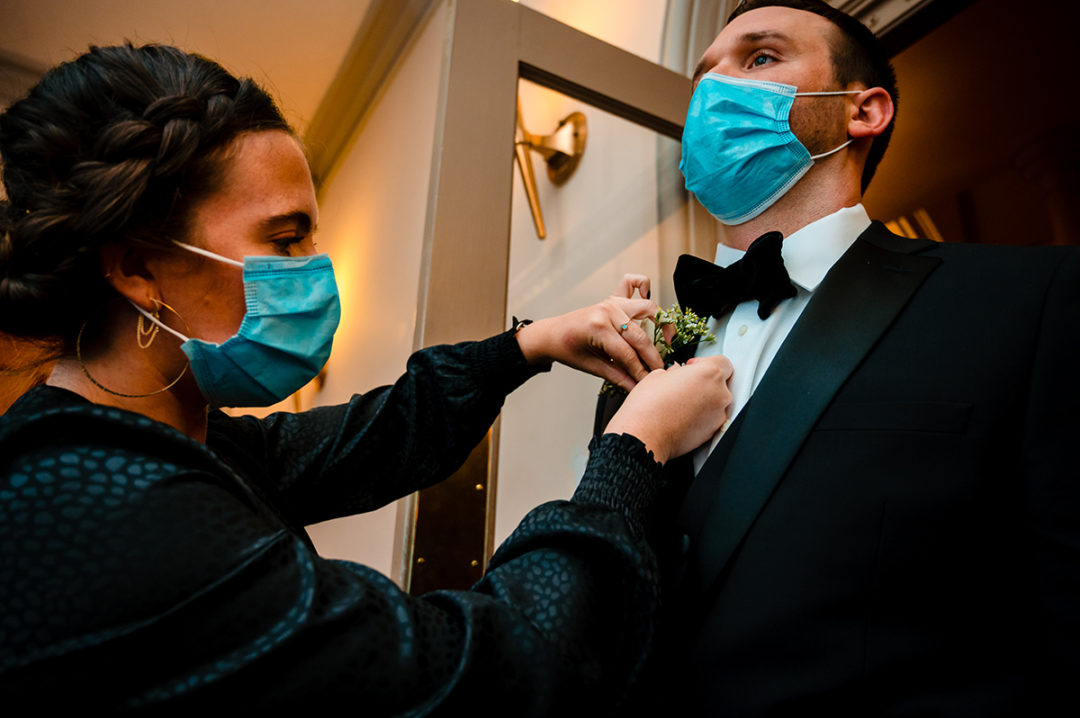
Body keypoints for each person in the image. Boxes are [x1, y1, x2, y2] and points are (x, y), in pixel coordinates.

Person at [0, 43, 736, 712]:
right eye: (285, 241)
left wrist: (531, 346)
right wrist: (632, 449)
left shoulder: (170, 438)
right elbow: (487, 676)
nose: (314, 274)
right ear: (136, 265)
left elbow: (373, 438)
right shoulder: (103, 506)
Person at [597, 1, 1080, 715]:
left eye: (759, 58)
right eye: (703, 77)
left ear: (864, 111)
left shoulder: (1030, 299)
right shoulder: (653, 338)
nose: (716, 89)